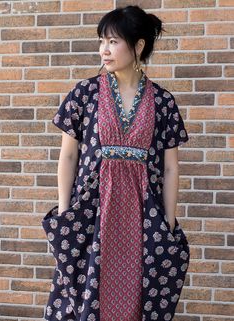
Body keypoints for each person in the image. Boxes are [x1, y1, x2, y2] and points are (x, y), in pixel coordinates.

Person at [42, 5, 190, 321]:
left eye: (112, 42)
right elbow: (68, 156)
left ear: (138, 46)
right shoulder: (84, 94)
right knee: (83, 296)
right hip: (91, 213)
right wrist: (65, 210)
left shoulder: (162, 102)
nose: (103, 50)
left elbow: (171, 167)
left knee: (139, 296)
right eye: (102, 41)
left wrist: (169, 220)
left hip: (143, 216)